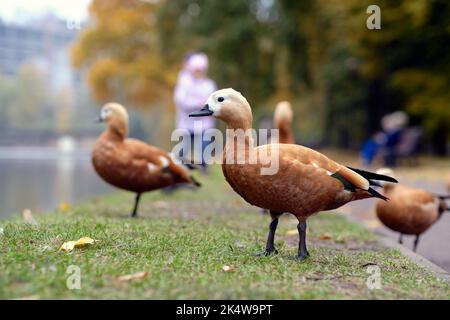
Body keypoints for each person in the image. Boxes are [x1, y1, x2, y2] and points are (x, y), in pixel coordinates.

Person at [174, 52, 217, 172]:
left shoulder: (209, 85)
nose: (198, 72)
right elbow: (180, 101)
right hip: (186, 123)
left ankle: (204, 169)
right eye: (196, 70)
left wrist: (202, 104)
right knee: (182, 149)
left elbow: (212, 104)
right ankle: (178, 168)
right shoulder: (184, 82)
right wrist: (197, 104)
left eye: (200, 70)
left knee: (205, 147)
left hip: (204, 124)